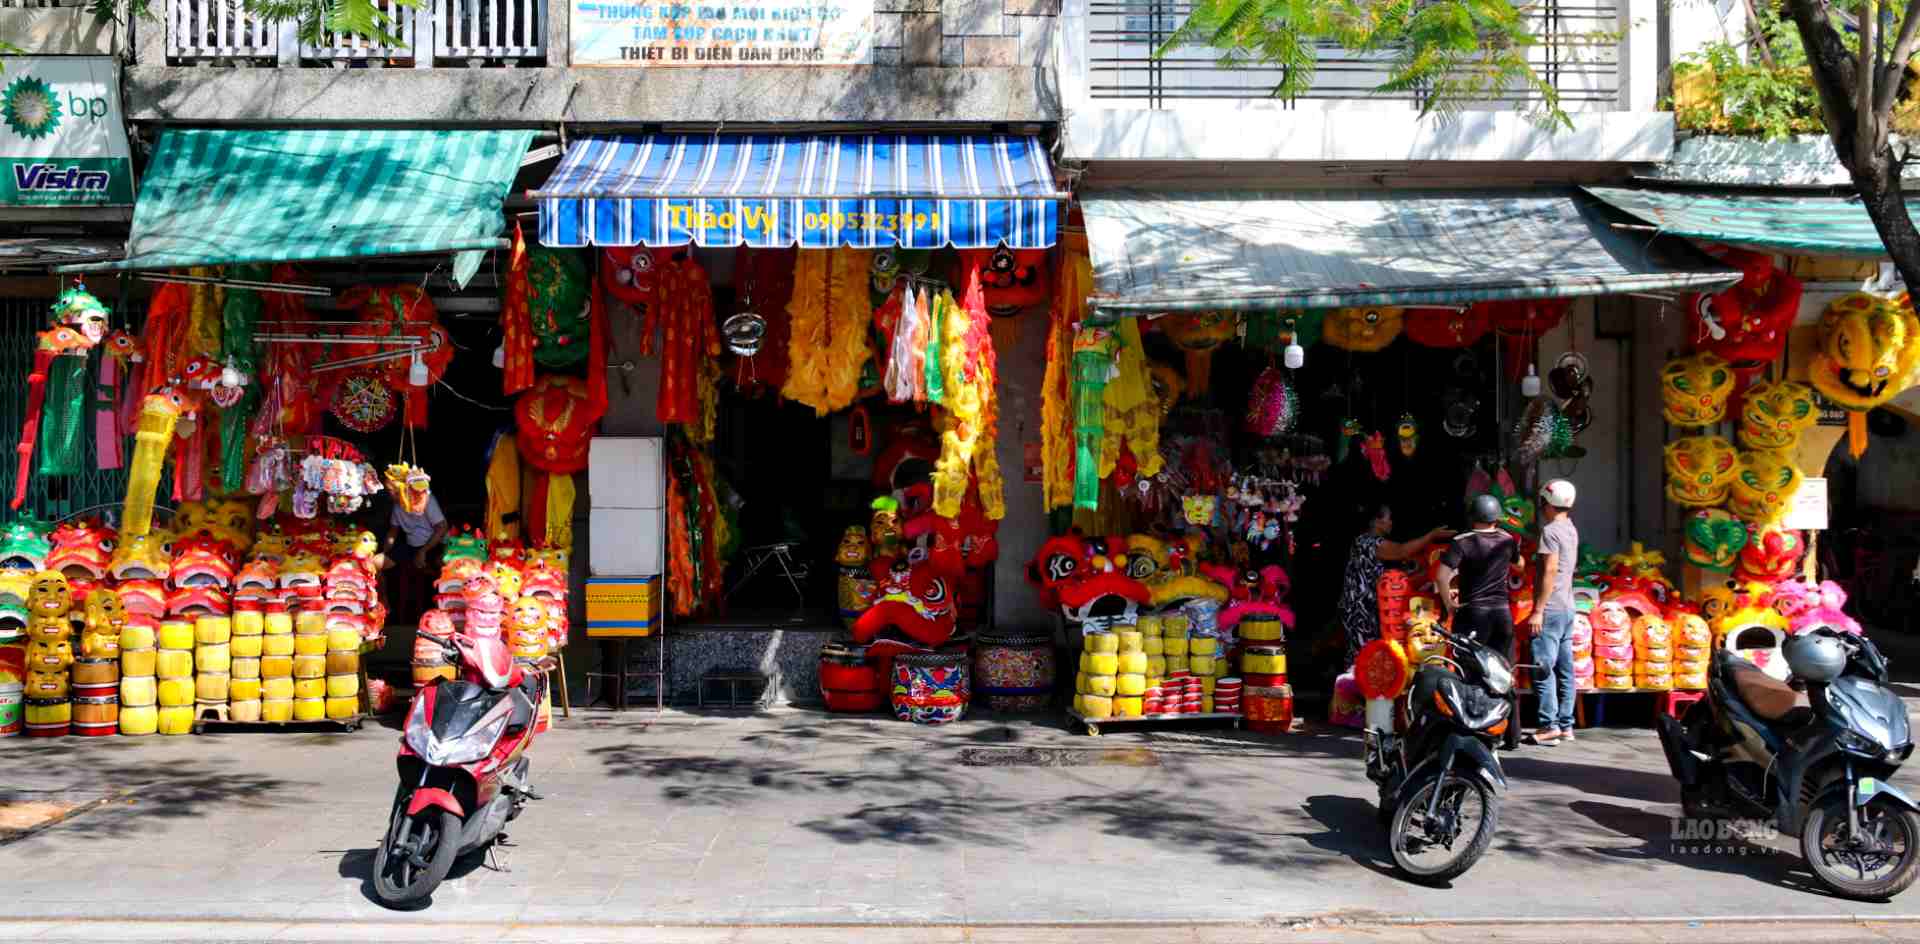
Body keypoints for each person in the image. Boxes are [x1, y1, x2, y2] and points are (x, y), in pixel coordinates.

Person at [1340, 504, 1453, 666]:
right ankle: (1361, 688)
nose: (1391, 522)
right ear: (1377, 521)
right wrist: (1431, 536)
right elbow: (1401, 551)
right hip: (1362, 611)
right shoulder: (1369, 542)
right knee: (1366, 657)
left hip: (1362, 608)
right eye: (1388, 518)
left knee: (1366, 656)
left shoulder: (1362, 541)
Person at [1437, 493, 1520, 658]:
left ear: (1472, 516)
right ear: (1496, 517)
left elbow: (1441, 576)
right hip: (1502, 614)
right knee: (1500, 668)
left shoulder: (1462, 541)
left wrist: (1449, 604)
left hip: (1473, 614)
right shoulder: (1507, 539)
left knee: (1468, 666)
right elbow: (1519, 564)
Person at [1529, 479, 1580, 746]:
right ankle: (1566, 724)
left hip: (1551, 608)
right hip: (1568, 607)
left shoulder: (1550, 532)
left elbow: (1549, 570)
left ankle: (1549, 725)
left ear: (1546, 503)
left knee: (1543, 667)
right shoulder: (1570, 529)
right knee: (1565, 668)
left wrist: (1538, 610)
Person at [383, 488, 448, 622]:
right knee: (375, 564)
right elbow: (393, 532)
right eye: (389, 491)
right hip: (411, 545)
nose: (390, 494)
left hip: (435, 543)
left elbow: (442, 527)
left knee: (443, 567)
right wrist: (385, 551)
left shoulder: (427, 499)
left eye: (394, 490)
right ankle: (384, 606)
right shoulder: (397, 506)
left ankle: (443, 613)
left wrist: (423, 551)